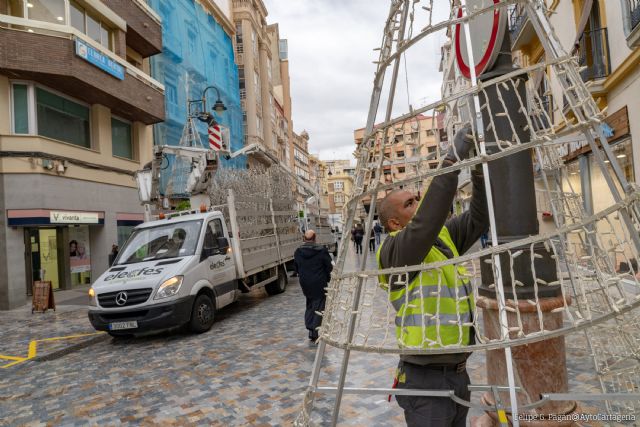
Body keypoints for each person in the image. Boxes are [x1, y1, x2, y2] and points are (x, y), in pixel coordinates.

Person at [376, 125, 489, 427]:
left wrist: (477, 169)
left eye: (417, 197)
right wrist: (451, 160)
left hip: (458, 373)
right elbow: (427, 221)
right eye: (410, 203)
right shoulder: (395, 250)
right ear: (394, 222)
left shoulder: (442, 236)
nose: (418, 201)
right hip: (425, 380)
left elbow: (479, 217)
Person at [293, 230, 333, 342]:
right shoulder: (321, 251)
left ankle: (310, 328)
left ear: (304, 238)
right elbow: (329, 267)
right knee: (319, 306)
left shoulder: (298, 251)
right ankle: (314, 331)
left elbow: (296, 268)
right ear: (315, 238)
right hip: (319, 282)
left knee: (310, 303)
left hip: (305, 283)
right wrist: (328, 278)